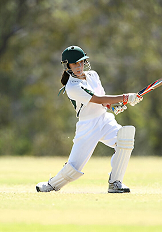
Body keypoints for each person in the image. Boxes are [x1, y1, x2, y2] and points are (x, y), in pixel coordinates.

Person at [36, 45, 143, 193]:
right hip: (88, 126)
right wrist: (125, 97)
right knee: (74, 168)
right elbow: (96, 99)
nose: (79, 66)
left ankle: (115, 182)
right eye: (74, 64)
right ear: (68, 66)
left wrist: (112, 107)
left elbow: (102, 99)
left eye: (81, 62)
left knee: (125, 139)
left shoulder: (93, 75)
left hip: (104, 120)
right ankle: (51, 185)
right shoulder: (72, 86)